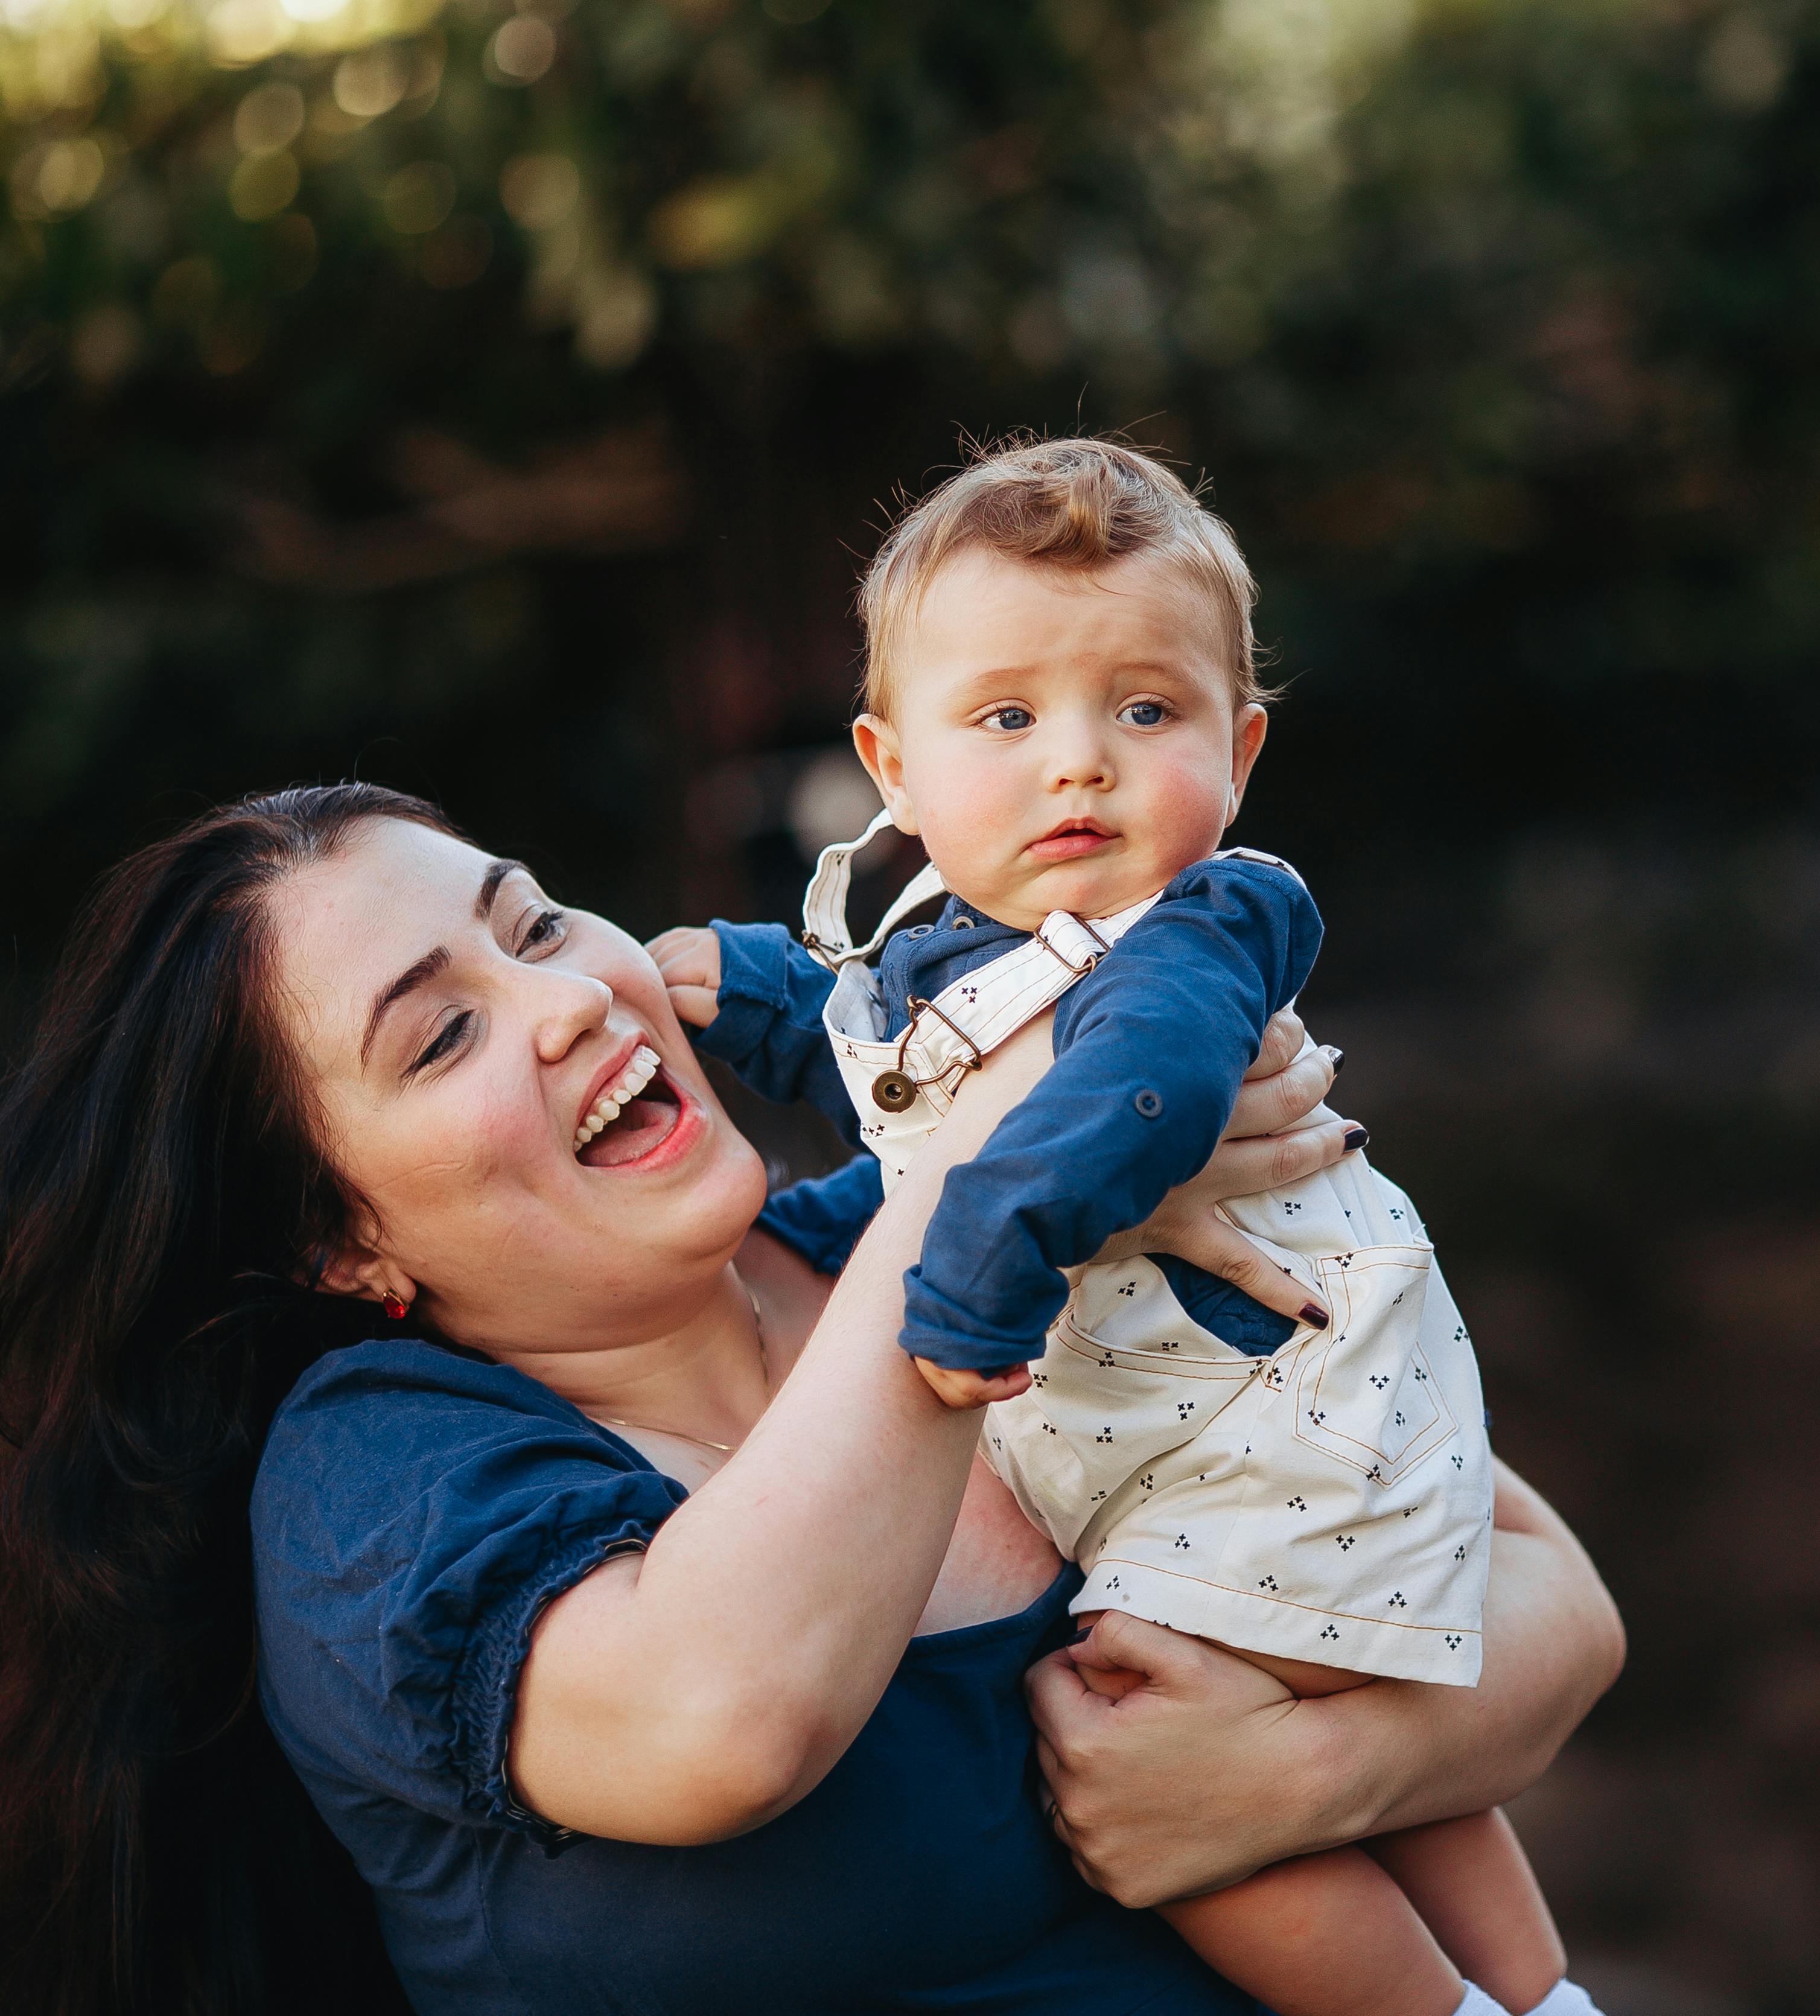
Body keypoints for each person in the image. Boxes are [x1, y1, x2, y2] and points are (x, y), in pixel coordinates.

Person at [0, 780, 1624, 2015]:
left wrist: (1279, 1791)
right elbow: (720, 1716)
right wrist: (1001, 1166)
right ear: (338, 1237)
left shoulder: (914, 1222)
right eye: (440, 1038)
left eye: (536, 925)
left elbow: (1544, 1600)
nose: (571, 1001)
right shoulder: (378, 1479)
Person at [652, 437, 1577, 2016]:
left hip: (1264, 1424)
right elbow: (896, 1065)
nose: (1076, 762)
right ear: (891, 767)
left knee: (1169, 1776)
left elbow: (1120, 1098)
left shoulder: (1203, 927)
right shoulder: (955, 943)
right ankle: (1545, 1998)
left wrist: (970, 1284)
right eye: (1005, 718)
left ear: (1241, 745)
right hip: (1207, 1434)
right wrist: (751, 990)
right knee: (1337, 1695)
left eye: (1146, 711)